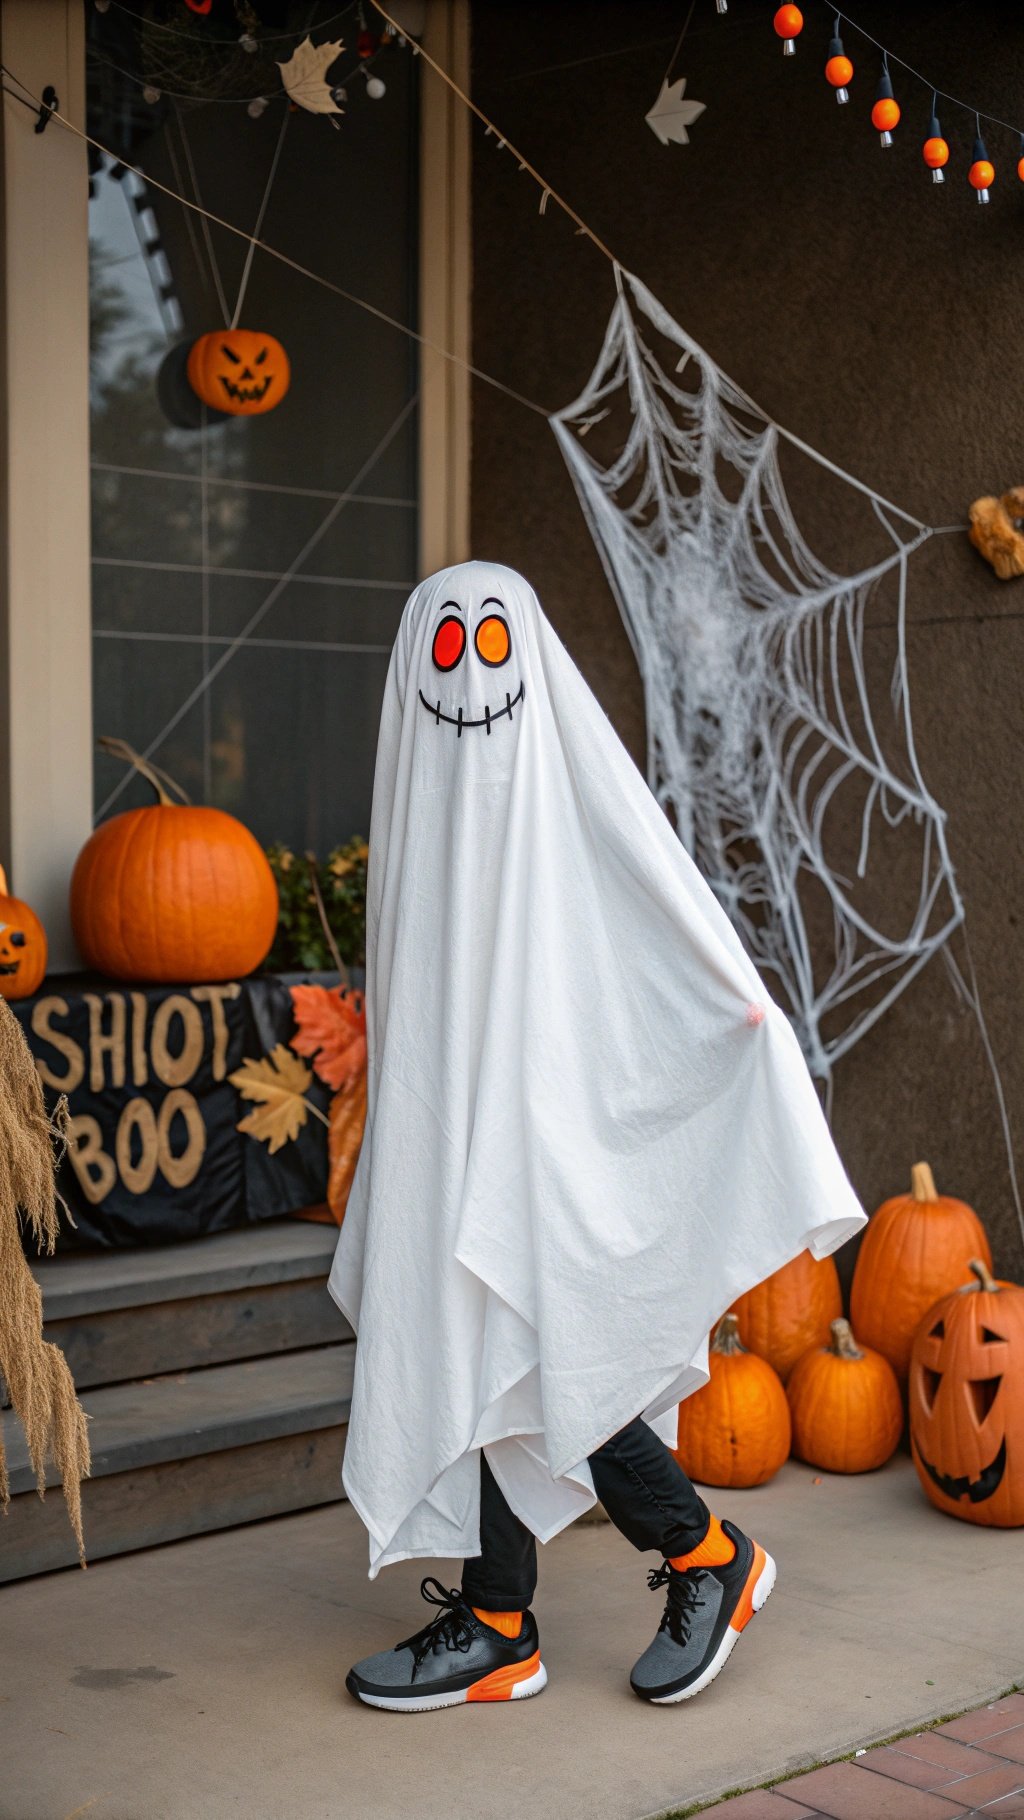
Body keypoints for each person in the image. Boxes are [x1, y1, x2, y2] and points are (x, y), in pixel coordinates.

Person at [329, 561, 864, 1712]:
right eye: (445, 645)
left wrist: (734, 1011)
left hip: (546, 1122)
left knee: (532, 1337)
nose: (470, 672)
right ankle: (501, 1618)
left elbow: (651, 889)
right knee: (467, 1330)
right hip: (453, 1112)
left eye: (492, 644)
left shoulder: (565, 785)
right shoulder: (421, 794)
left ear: (529, 659)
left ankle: (701, 1552)